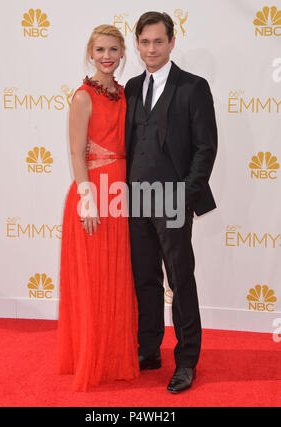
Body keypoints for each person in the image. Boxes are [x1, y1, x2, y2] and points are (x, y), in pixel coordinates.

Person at [125, 12, 217, 393]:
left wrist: (184, 196)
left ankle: (186, 361)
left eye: (158, 41)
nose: (151, 49)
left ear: (172, 42)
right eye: (144, 42)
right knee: (144, 279)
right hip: (133, 200)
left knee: (180, 282)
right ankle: (148, 350)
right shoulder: (130, 87)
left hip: (173, 200)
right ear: (138, 44)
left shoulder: (193, 87)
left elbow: (205, 148)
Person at [56, 25, 139, 391]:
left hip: (119, 194)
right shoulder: (83, 96)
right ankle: (92, 356)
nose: (107, 56)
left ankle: (114, 355)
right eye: (100, 50)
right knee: (93, 280)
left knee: (118, 277)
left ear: (123, 54)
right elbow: (76, 153)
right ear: (91, 53)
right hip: (94, 195)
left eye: (114, 50)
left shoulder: (124, 94)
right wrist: (87, 202)